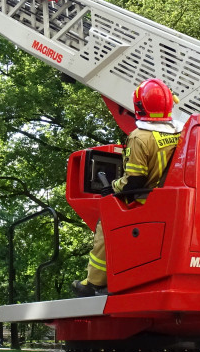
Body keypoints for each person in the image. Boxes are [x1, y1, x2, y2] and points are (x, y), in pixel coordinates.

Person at [72, 78, 181, 297]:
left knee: (107, 220)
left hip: (145, 202)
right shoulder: (180, 133)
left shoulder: (139, 138)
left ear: (140, 107)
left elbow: (135, 180)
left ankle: (94, 282)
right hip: (169, 202)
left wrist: (113, 186)